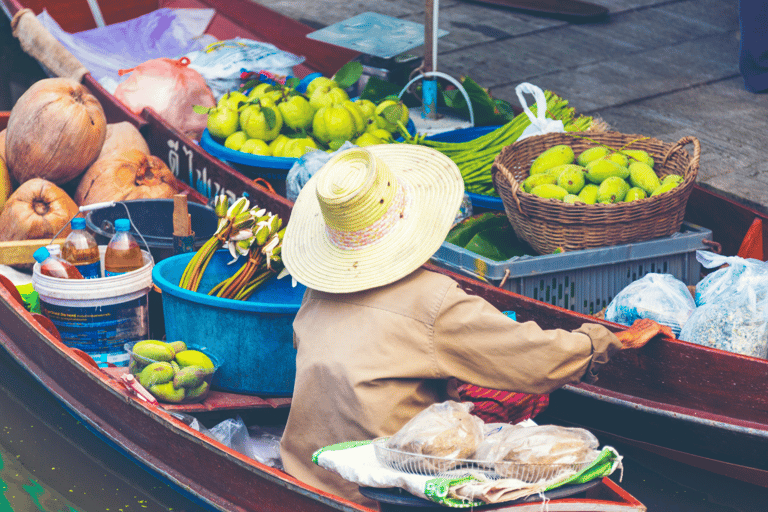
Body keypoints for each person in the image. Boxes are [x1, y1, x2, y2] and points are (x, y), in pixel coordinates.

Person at [279, 145, 670, 506]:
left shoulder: (317, 292)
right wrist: (606, 340)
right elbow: (533, 357)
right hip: (379, 494)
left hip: (304, 473)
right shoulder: (432, 299)